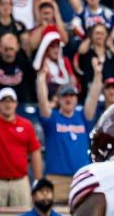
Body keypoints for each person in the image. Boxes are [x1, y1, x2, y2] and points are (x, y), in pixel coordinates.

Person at [37, 65, 103, 202]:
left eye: (72, 95)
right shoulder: (52, 118)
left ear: (76, 99)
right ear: (59, 99)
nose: (69, 98)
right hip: (56, 179)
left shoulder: (83, 118)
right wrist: (41, 78)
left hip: (81, 177)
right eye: (65, 95)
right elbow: (42, 100)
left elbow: (93, 97)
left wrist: (97, 74)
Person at [0, 85, 42, 207]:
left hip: (20, 181)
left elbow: (35, 152)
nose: (7, 105)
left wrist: (38, 181)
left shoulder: (26, 125)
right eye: (4, 101)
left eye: (11, 101)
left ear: (16, 104)